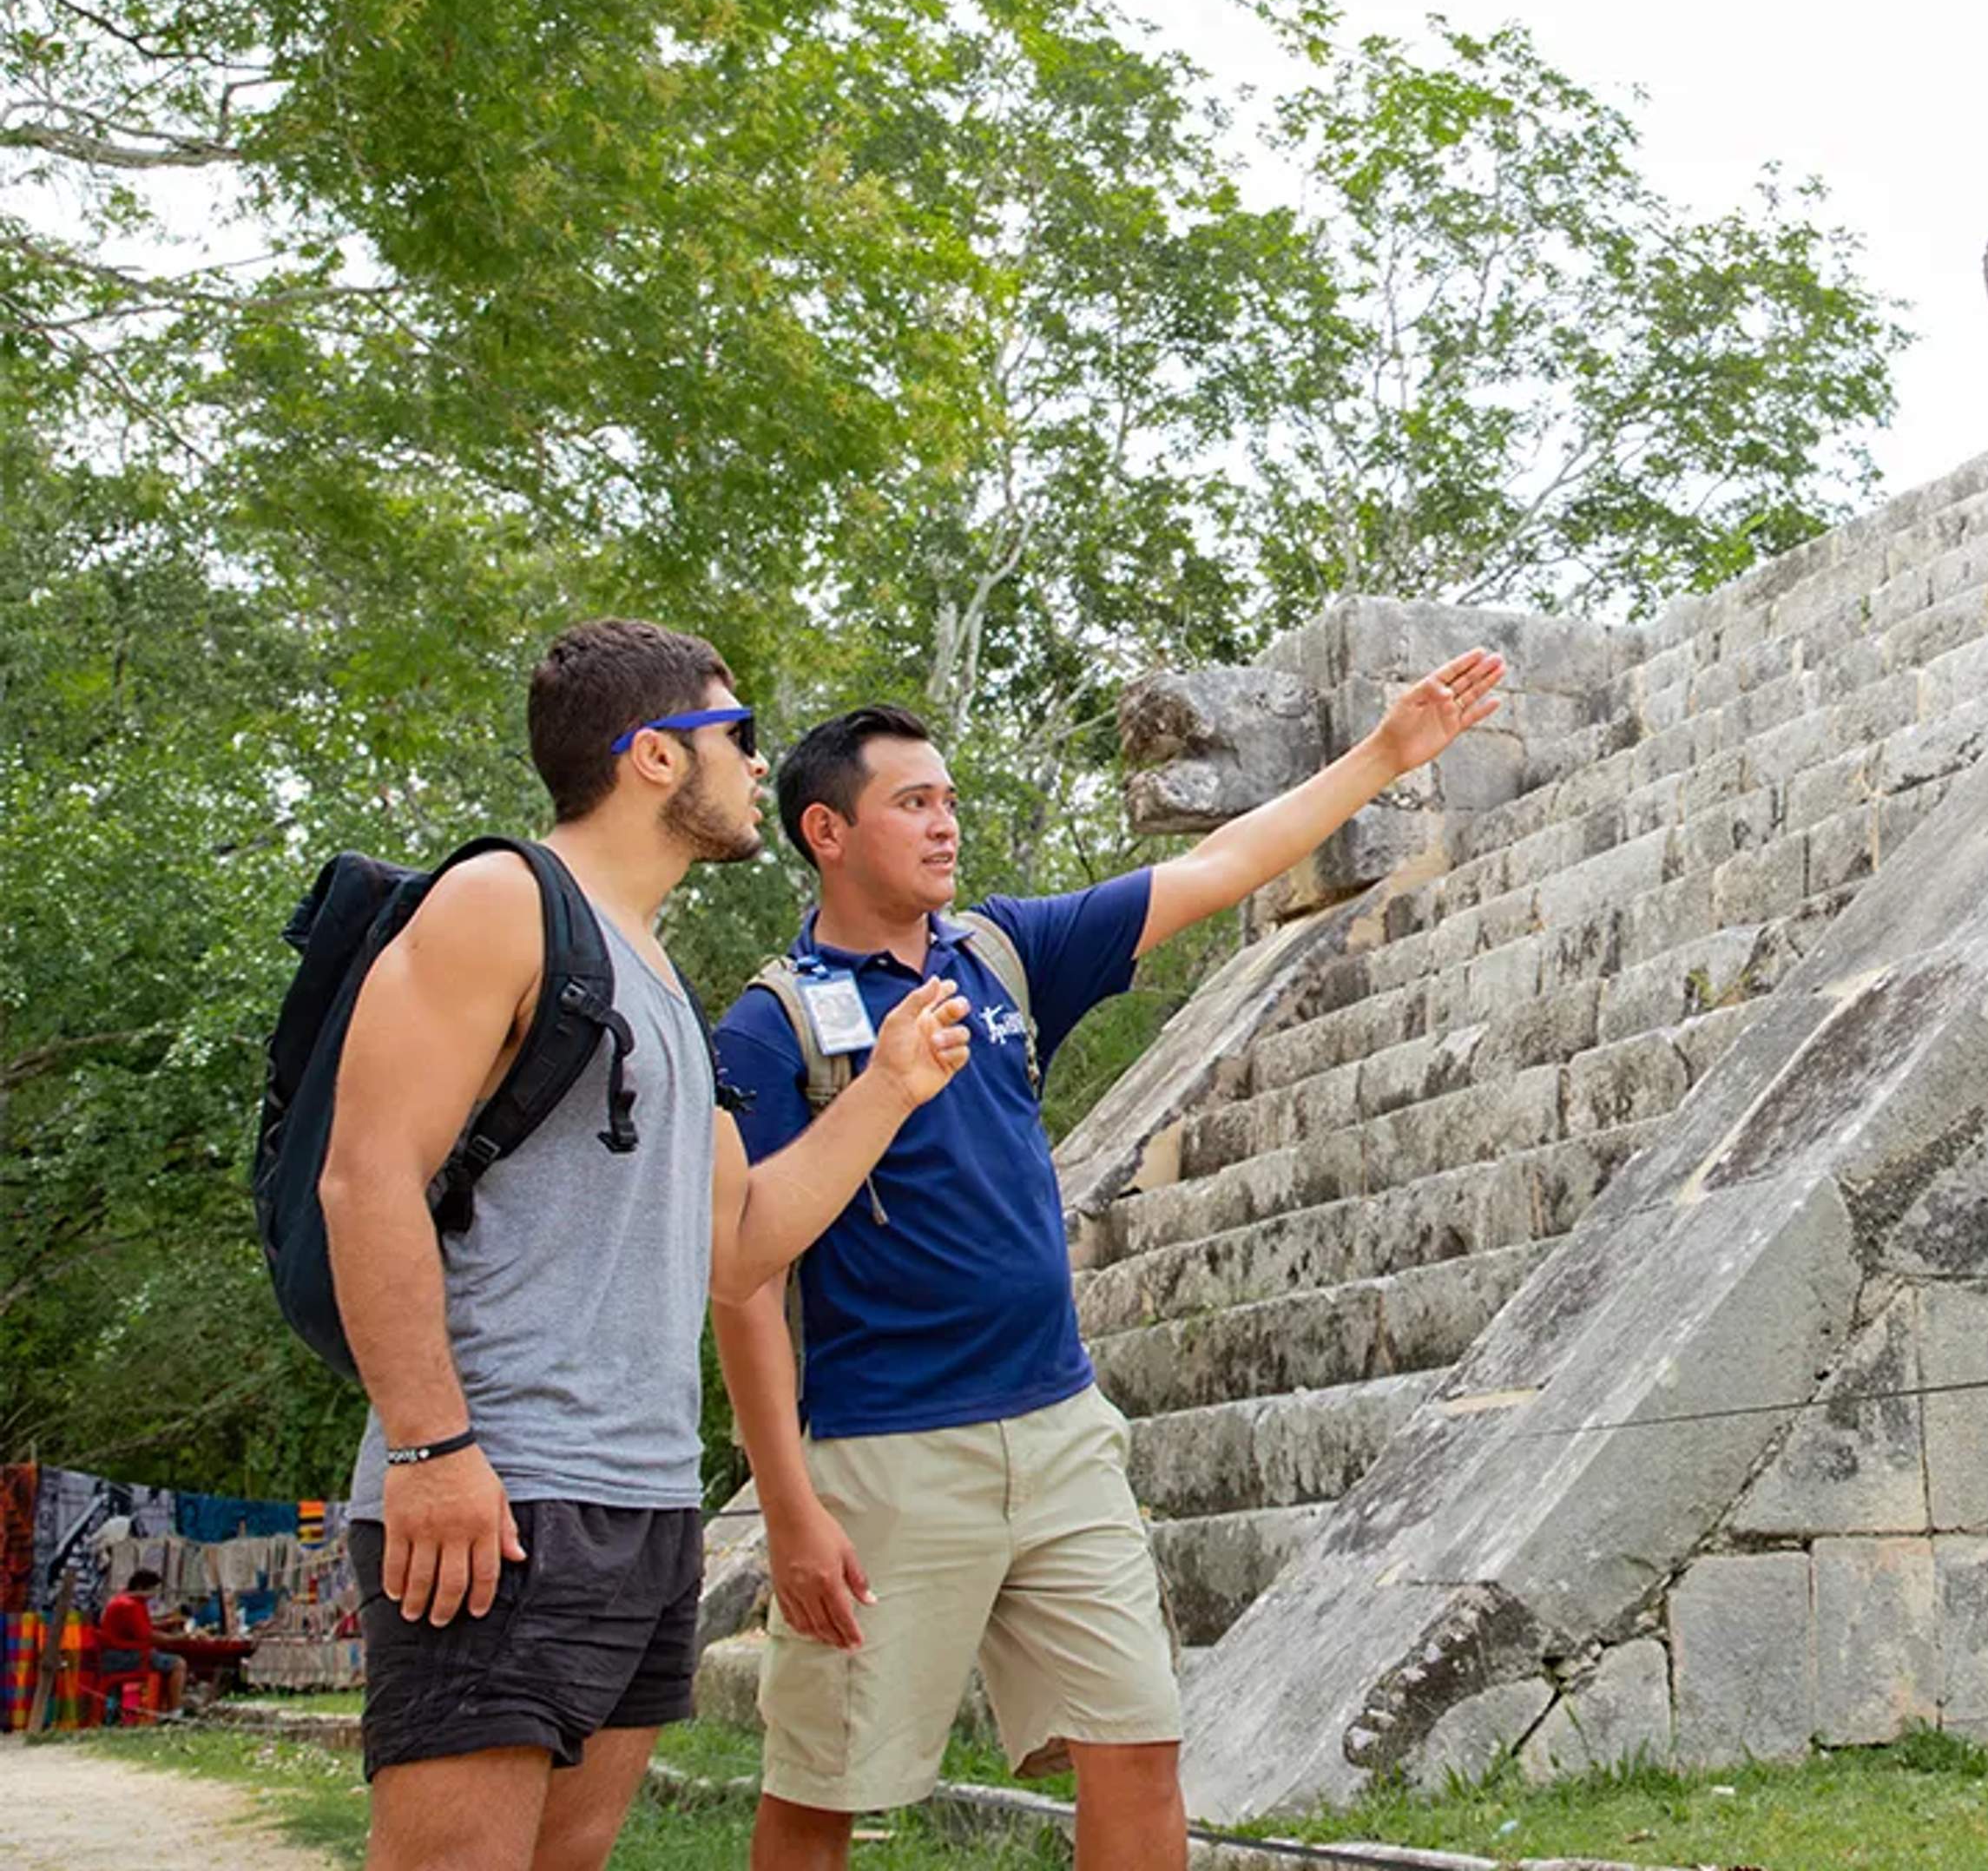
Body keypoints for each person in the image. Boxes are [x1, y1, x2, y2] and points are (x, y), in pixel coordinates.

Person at [714, 649, 1508, 1871]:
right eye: (911, 803)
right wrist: (789, 1507)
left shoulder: (1003, 955)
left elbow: (1214, 866)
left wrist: (1384, 758)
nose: (944, 823)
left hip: (1063, 1429)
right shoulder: (769, 1026)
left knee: (1138, 1745)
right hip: (886, 1453)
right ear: (826, 831)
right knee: (828, 1791)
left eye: (950, 799)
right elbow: (746, 1277)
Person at [322, 618, 981, 1871]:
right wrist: (430, 1446)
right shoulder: (502, 901)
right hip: (499, 1490)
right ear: (655, 759)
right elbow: (365, 1181)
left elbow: (740, 1250)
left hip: (644, 1502)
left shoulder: (664, 977)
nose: (754, 766)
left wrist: (889, 1091)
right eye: (735, 736)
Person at [92, 1567, 182, 1716]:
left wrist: (168, 1622)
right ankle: (175, 1712)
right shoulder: (130, 1606)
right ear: (141, 1587)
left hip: (118, 1654)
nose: (153, 1595)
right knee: (179, 1664)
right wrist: (177, 1639)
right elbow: (148, 1635)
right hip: (122, 1657)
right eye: (152, 1590)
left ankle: (165, 1708)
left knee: (165, 1661)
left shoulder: (125, 1600)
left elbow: (142, 1626)